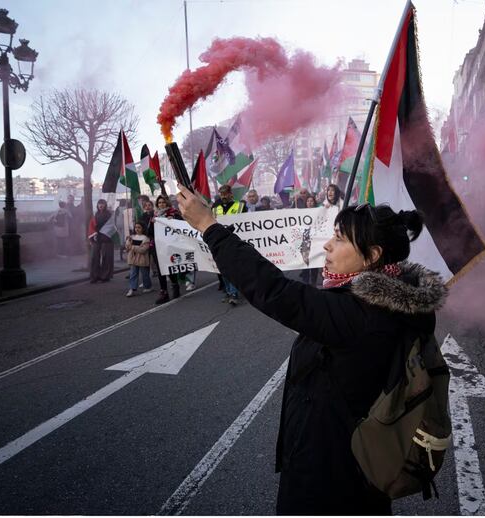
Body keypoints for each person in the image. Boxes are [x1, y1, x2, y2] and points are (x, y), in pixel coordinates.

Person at [177, 186, 447, 515]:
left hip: (331, 479)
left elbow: (274, 291)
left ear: (373, 255)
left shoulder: (362, 314)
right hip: (355, 472)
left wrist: (210, 226)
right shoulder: (385, 303)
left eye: (340, 238)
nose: (328, 245)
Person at [213, 184, 247, 305]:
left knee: (231, 267)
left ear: (230, 194)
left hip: (235, 241)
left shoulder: (241, 206)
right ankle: (228, 291)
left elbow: (247, 222)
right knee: (223, 269)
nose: (223, 196)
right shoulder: (215, 208)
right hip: (221, 242)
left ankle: (234, 293)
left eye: (225, 193)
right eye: (221, 194)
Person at [152, 195, 182, 304]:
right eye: (159, 203)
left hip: (170, 246)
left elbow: (182, 225)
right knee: (161, 270)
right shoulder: (155, 216)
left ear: (167, 203)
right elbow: (149, 232)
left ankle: (175, 286)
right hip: (157, 246)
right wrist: (152, 223)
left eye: (163, 202)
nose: (161, 204)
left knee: (170, 267)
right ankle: (164, 292)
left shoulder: (174, 213)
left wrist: (173, 220)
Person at [88, 199, 117, 283]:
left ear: (105, 205)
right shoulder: (95, 214)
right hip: (97, 237)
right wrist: (93, 234)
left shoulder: (109, 214)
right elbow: (91, 225)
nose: (100, 205)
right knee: (94, 257)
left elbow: (112, 226)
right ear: (97, 205)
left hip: (106, 237)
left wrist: (104, 233)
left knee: (106, 257)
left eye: (102, 204)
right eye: (99, 204)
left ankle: (105, 276)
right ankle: (94, 276)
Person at [125, 221, 153, 297]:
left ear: (143, 228)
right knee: (133, 274)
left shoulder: (146, 238)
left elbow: (143, 250)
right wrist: (128, 242)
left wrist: (132, 247)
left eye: (139, 227)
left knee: (145, 274)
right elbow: (127, 246)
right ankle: (132, 288)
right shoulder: (132, 237)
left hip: (142, 259)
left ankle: (148, 286)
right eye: (136, 227)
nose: (137, 229)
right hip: (133, 259)